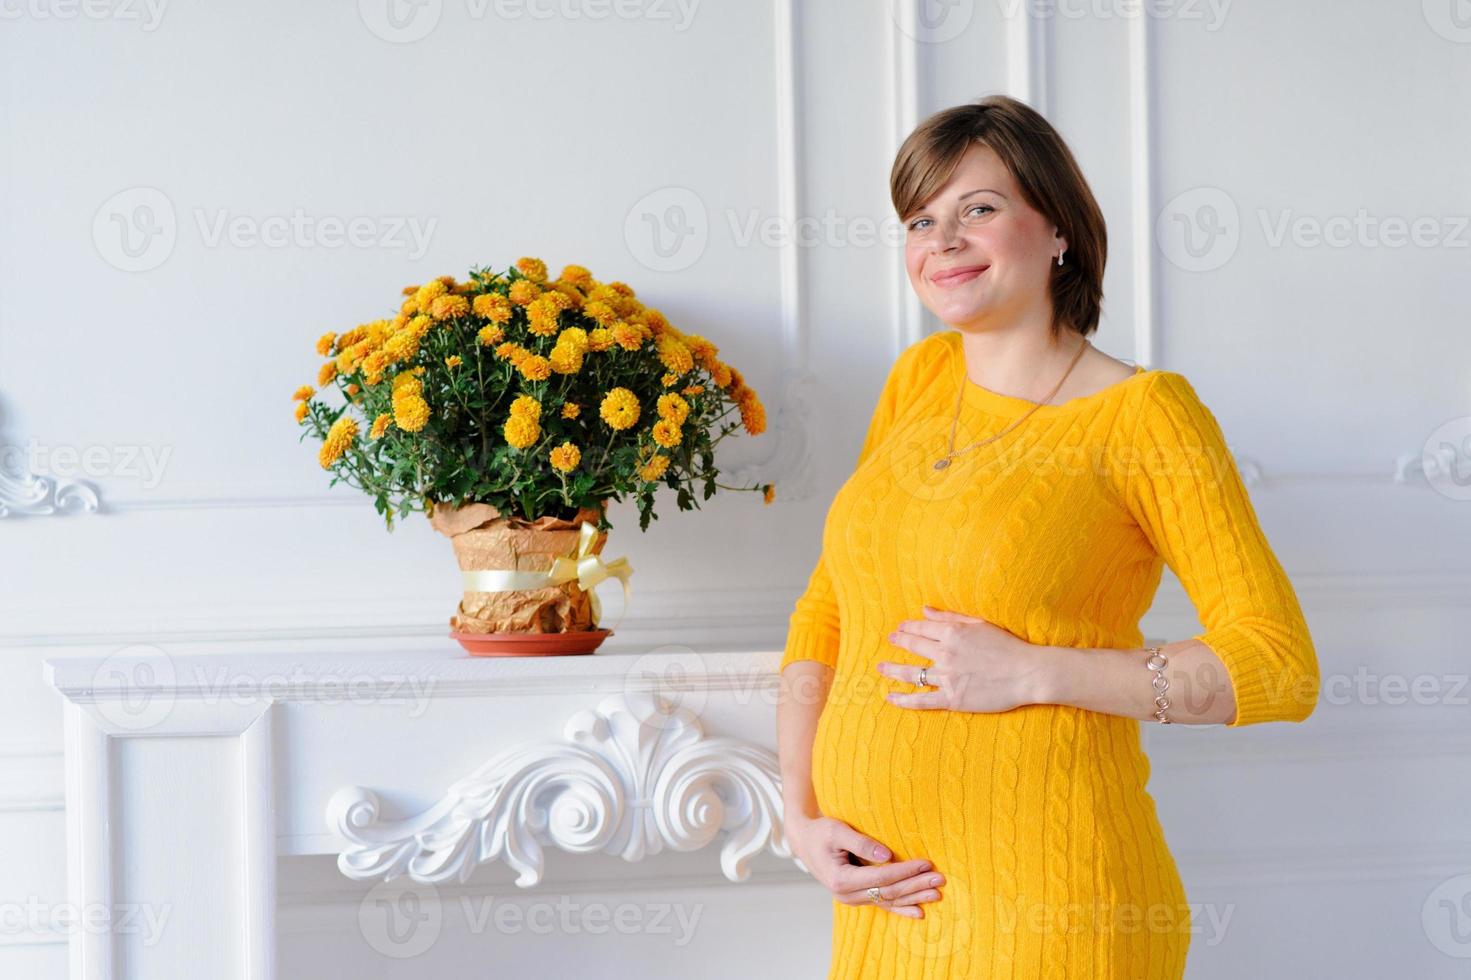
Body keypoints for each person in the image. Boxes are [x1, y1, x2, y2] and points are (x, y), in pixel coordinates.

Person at [775, 94, 1321, 980]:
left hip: (1052, 913)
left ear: (1058, 228)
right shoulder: (918, 383)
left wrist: (1030, 671)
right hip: (884, 906)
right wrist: (797, 814)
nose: (940, 241)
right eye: (920, 218)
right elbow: (827, 610)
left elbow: (1279, 664)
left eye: (977, 209)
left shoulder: (1144, 416)